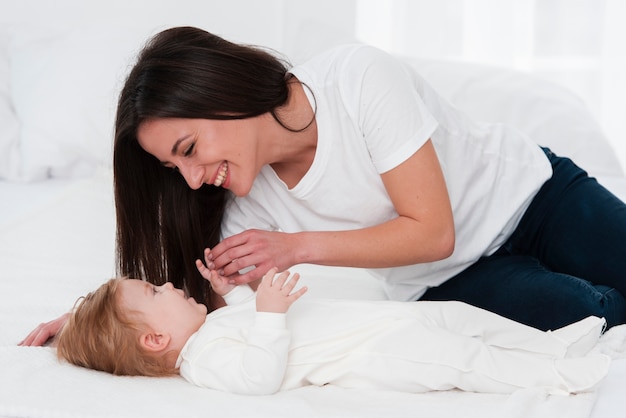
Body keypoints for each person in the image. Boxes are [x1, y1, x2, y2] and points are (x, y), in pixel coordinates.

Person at [19, 25, 626, 346]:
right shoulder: (238, 199)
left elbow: (432, 229)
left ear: (221, 94)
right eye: (176, 171)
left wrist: (295, 246)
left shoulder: (356, 79)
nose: (195, 177)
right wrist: (89, 322)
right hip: (449, 279)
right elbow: (180, 301)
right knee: (591, 316)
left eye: (189, 150)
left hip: (535, 196)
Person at [56, 257, 610, 396]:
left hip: (385, 320)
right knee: (460, 359)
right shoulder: (202, 362)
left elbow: (247, 321)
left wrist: (235, 294)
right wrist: (269, 312)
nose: (171, 287)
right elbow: (257, 374)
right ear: (156, 341)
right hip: (378, 352)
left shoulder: (214, 327)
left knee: (463, 318)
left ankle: (551, 345)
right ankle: (557, 379)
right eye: (157, 294)